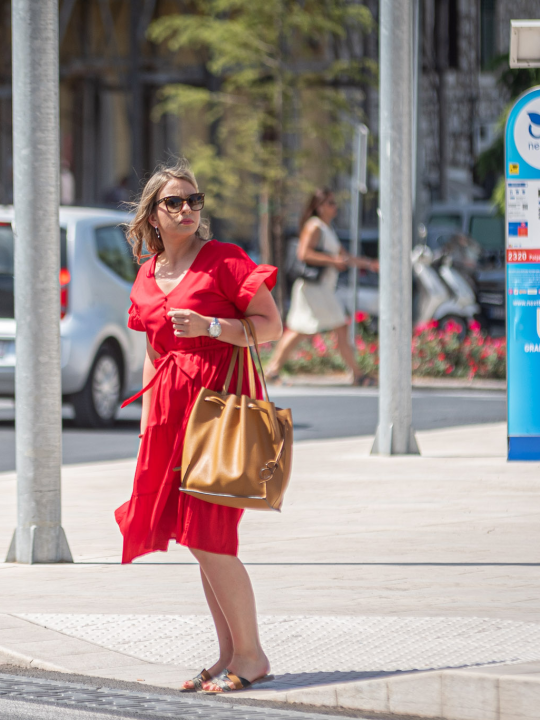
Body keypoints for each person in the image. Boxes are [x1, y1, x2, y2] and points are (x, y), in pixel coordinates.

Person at [116, 160, 283, 694]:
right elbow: (151, 351)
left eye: (194, 201)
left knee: (211, 537)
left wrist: (212, 325)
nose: (186, 209)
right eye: (174, 202)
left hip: (218, 413)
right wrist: (147, 429)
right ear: (153, 215)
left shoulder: (224, 263)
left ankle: (251, 655)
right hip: (170, 415)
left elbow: (271, 327)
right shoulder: (148, 273)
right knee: (195, 537)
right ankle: (230, 654)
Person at [263, 188, 378, 385]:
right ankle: (358, 375)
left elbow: (346, 256)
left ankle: (272, 371)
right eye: (331, 203)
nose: (335, 207)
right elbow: (304, 254)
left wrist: (368, 264)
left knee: (299, 330)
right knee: (338, 327)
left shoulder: (326, 228)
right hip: (314, 289)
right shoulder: (314, 226)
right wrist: (332, 260)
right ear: (319, 206)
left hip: (319, 289)